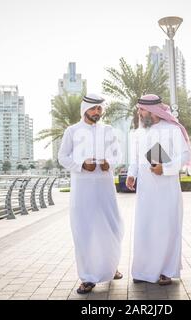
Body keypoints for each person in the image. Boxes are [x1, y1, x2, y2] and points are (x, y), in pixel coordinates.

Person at [58, 93, 124, 294]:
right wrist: (80, 165)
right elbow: (62, 157)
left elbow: (118, 155)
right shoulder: (72, 131)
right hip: (82, 190)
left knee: (112, 228)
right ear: (84, 109)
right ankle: (87, 278)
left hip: (105, 188)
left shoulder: (109, 130)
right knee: (84, 231)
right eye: (94, 108)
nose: (98, 112)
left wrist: (109, 163)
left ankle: (111, 267)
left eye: (100, 109)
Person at [126, 94, 191, 286]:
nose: (139, 113)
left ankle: (166, 271)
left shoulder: (173, 129)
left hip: (167, 189)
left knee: (166, 228)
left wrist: (166, 168)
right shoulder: (139, 133)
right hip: (146, 190)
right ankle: (143, 271)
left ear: (153, 110)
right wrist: (132, 174)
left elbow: (185, 155)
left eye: (141, 110)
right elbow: (136, 157)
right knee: (145, 228)